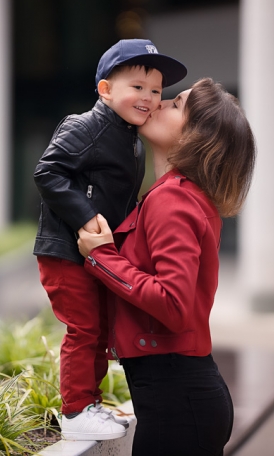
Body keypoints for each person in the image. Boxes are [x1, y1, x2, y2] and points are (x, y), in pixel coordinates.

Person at [77, 77, 256, 455]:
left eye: (176, 105)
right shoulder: (176, 195)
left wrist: (101, 256)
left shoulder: (173, 200)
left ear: (197, 137)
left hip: (179, 402)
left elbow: (173, 304)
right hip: (181, 399)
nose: (157, 103)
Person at [33, 39, 187, 441]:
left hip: (92, 255)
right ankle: (75, 412)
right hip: (67, 250)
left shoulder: (130, 138)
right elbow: (48, 171)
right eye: (138, 87)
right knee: (84, 329)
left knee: (99, 330)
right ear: (105, 90)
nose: (150, 98)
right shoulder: (86, 126)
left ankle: (89, 404)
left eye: (156, 91)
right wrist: (85, 220)